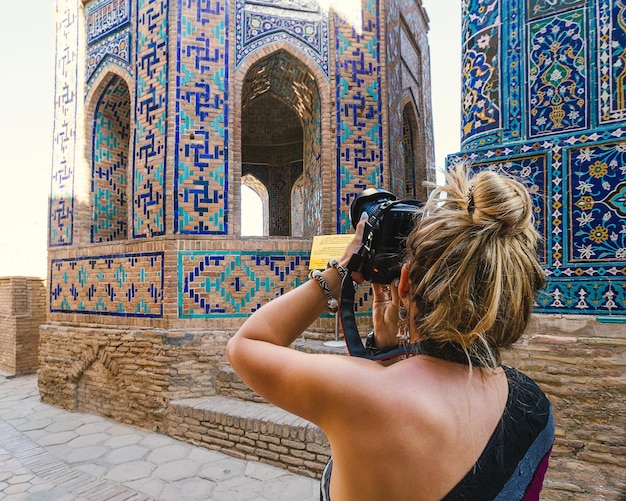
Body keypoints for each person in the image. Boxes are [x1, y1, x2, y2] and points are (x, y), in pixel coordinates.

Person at [226, 164, 555, 500]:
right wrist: (386, 352)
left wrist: (340, 271)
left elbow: (246, 344)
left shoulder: (361, 396)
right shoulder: (534, 405)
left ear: (406, 282)